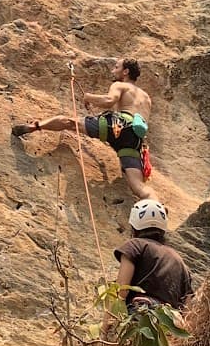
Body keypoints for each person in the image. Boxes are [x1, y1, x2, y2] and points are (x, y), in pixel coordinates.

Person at [12, 56, 155, 201]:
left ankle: (35, 126)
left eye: (116, 67)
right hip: (135, 140)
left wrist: (88, 97)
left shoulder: (120, 85)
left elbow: (109, 100)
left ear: (125, 72)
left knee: (69, 122)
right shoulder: (146, 98)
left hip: (118, 125)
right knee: (138, 186)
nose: (113, 71)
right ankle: (156, 205)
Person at [113, 199, 191, 311]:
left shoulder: (134, 246)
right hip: (169, 322)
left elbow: (121, 291)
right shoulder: (180, 262)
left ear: (134, 227)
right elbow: (188, 309)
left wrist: (105, 328)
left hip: (140, 313)